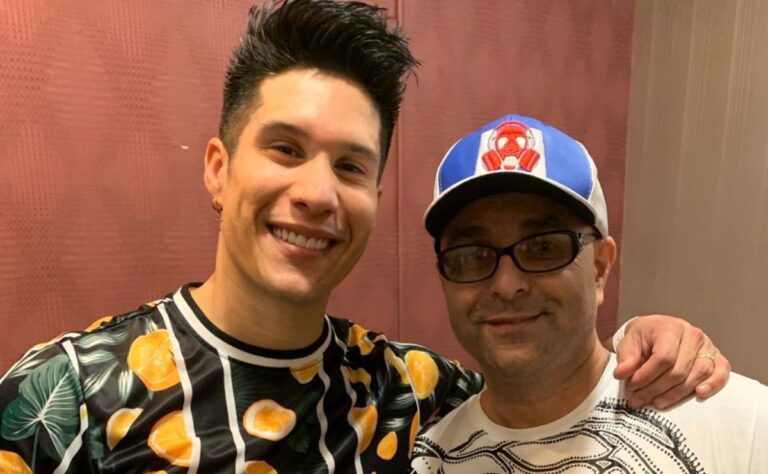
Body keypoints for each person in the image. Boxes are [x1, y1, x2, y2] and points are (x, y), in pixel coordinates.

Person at [0, 2, 728, 473]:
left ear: (374, 201)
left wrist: (643, 343)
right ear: (218, 169)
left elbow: (543, 376)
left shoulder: (407, 389)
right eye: (285, 149)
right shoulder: (67, 395)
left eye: (350, 166)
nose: (317, 194)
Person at [411, 114, 767, 473]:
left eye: (543, 248)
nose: (506, 285)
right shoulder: (429, 460)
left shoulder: (744, 426)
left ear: (599, 266)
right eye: (472, 256)